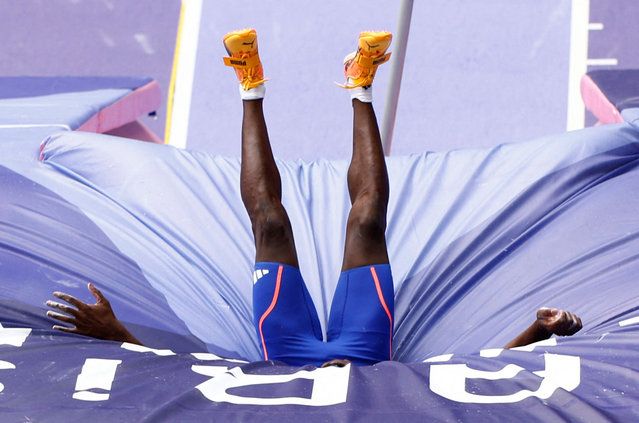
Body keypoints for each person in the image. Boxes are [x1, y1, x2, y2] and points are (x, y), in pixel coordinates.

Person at [45, 29, 582, 365]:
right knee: (368, 220)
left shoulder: (268, 406)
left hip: (288, 351)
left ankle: (248, 81)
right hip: (366, 352)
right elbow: (470, 381)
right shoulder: (395, 406)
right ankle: (360, 85)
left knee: (271, 227)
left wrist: (116, 335)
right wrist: (540, 329)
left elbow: (186, 380)